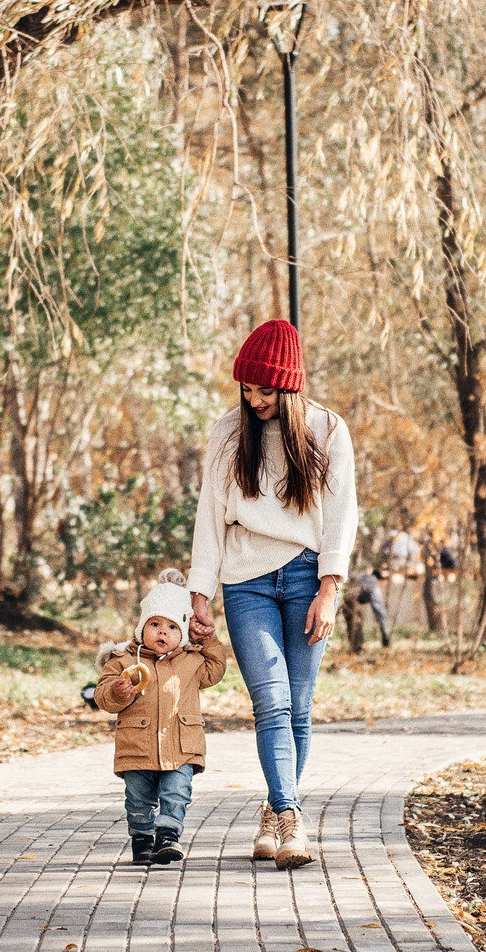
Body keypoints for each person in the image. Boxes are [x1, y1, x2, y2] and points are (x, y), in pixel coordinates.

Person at [187, 319, 357, 870]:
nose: (255, 399)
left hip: (308, 576)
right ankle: (289, 814)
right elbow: (210, 517)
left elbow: (341, 516)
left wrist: (330, 588)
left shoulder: (328, 431)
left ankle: (274, 814)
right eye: (248, 389)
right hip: (246, 581)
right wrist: (200, 592)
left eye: (266, 390)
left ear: (291, 387)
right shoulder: (228, 433)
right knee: (272, 702)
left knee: (299, 707)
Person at [96, 569, 228, 867]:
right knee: (138, 799)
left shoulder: (192, 662)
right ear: (141, 627)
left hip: (181, 746)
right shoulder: (124, 661)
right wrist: (119, 691)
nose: (162, 632)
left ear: (182, 632)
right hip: (137, 747)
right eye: (154, 624)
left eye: (171, 626)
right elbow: (103, 697)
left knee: (177, 793)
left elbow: (216, 670)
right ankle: (142, 839)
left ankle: (168, 837)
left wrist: (208, 639)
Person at [355, 568, 392, 647]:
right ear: (381, 580)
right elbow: (380, 612)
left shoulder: (362, 577)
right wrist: (385, 637)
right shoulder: (374, 584)